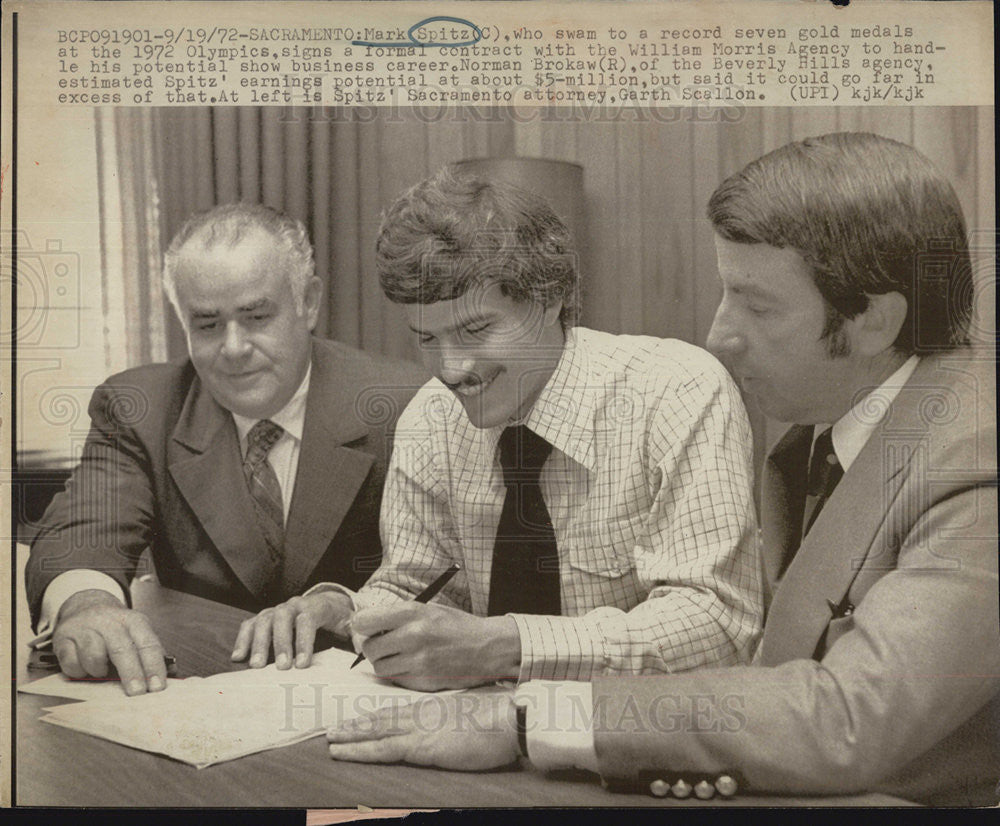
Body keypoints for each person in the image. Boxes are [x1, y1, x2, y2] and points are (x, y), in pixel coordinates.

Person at [323, 133, 999, 807]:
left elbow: (845, 717)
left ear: (874, 320)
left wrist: (524, 720)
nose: (718, 334)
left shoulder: (975, 453)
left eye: (757, 304)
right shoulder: (821, 440)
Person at [236, 168, 763, 690]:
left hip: (636, 741)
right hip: (476, 738)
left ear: (549, 299)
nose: (451, 368)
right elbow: (421, 587)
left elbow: (715, 621)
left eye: (475, 329)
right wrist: (343, 609)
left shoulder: (678, 391)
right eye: (427, 338)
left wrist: (503, 646)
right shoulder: (431, 418)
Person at [25, 203, 425, 696]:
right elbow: (82, 532)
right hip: (201, 686)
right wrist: (86, 605)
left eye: (257, 317)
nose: (234, 348)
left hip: (369, 695)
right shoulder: (140, 407)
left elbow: (451, 581)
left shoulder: (409, 404)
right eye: (208, 325)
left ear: (309, 302)